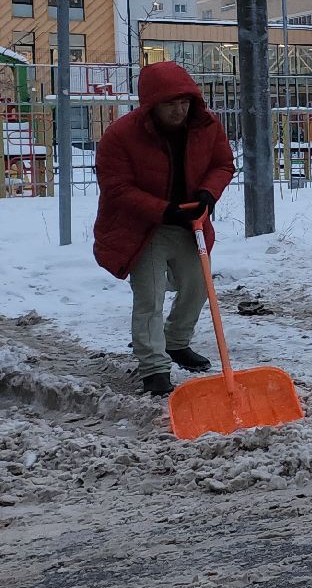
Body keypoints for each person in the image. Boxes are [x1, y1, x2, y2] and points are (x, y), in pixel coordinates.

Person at [93, 61, 236, 397]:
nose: (179, 110)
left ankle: (176, 341)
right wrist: (163, 210)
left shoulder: (206, 126)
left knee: (198, 287)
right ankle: (154, 367)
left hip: (190, 224)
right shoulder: (121, 135)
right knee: (150, 296)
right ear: (151, 105)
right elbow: (117, 187)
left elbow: (223, 163)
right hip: (145, 228)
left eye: (184, 102)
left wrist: (207, 194)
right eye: (170, 104)